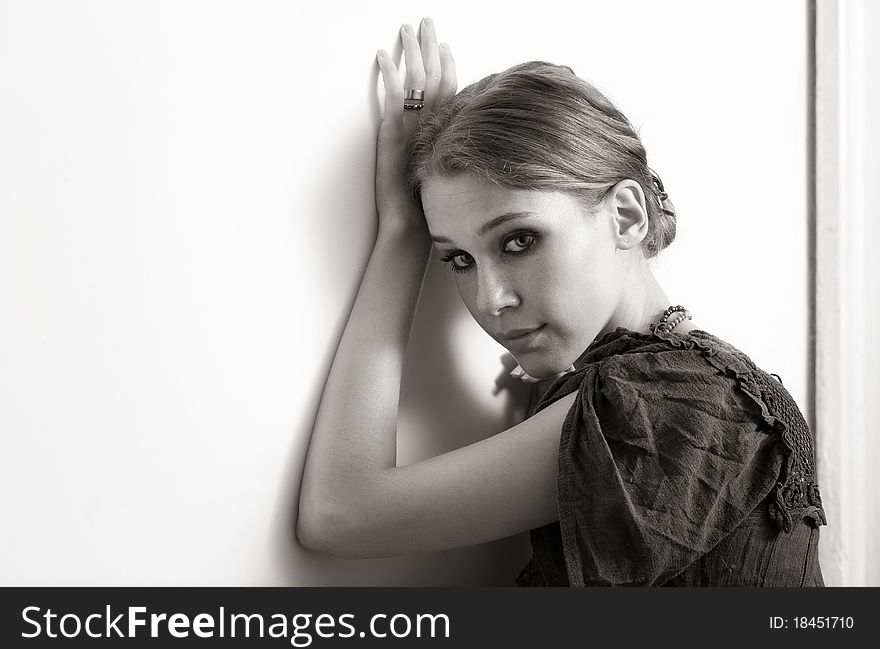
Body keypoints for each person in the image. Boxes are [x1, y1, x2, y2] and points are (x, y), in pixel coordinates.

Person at [295, 17, 826, 586]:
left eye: (520, 240)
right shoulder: (681, 379)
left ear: (626, 215)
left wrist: (401, 232)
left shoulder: (664, 402)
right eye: (457, 259)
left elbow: (339, 513)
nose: (490, 300)